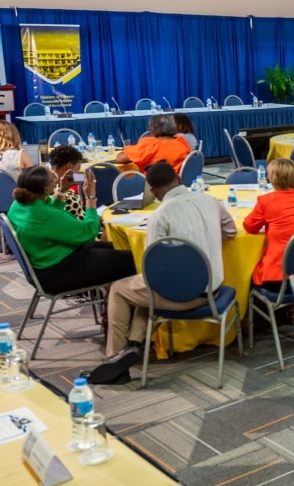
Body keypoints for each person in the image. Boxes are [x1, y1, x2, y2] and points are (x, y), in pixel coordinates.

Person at [93, 162, 235, 378]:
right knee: (144, 292)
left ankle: (115, 358)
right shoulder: (209, 200)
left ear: (154, 191)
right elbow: (231, 231)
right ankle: (134, 343)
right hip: (213, 289)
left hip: (182, 296)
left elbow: (154, 266)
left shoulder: (160, 216)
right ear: (178, 178)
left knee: (121, 289)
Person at [6, 164, 136, 297]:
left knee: (120, 248)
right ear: (46, 189)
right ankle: (122, 304)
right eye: (53, 179)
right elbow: (89, 231)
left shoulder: (20, 204)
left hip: (46, 263)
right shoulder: (46, 216)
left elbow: (50, 215)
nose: (57, 179)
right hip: (59, 272)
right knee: (135, 259)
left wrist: (62, 190)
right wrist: (90, 198)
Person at [245, 158, 294, 294]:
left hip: (281, 277)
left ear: (272, 179)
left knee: (247, 274)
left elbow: (249, 227)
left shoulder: (266, 201)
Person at [116, 114, 191, 174]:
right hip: (176, 183)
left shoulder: (150, 143)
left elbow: (120, 159)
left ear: (153, 129)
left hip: (153, 186)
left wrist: (126, 150)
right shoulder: (182, 143)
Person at [48, 144, 91, 220]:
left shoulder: (51, 183)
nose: (78, 172)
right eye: (78, 168)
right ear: (69, 166)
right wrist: (90, 197)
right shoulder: (57, 192)